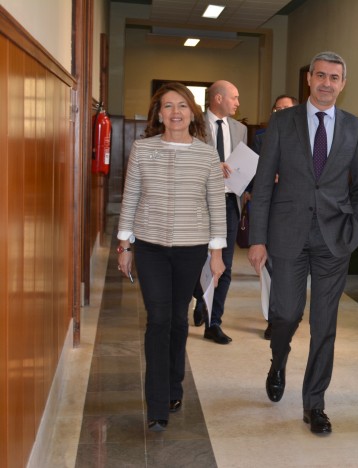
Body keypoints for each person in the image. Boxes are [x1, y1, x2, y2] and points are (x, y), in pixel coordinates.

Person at [248, 51, 358, 435]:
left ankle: (314, 404)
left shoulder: (354, 127)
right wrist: (257, 239)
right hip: (287, 235)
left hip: (334, 240)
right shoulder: (283, 122)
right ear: (309, 79)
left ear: (342, 83)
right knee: (285, 314)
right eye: (320, 75)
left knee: (325, 324)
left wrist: (355, 226)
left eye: (334, 77)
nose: (326, 83)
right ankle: (278, 358)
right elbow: (263, 182)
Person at [116, 82, 226, 432]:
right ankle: (158, 404)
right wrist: (124, 245)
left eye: (182, 105)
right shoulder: (142, 149)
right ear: (158, 114)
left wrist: (217, 253)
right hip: (149, 246)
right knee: (158, 318)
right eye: (167, 106)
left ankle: (174, 385)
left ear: (192, 112)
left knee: (179, 319)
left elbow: (216, 206)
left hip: (192, 247)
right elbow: (130, 197)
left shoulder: (207, 154)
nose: (175, 112)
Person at [191, 80, 249, 345]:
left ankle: (214, 322)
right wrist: (213, 165)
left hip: (229, 203)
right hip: (199, 204)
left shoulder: (240, 129)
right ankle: (200, 297)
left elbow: (241, 165)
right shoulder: (194, 124)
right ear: (217, 98)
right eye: (234, 97)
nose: (238, 103)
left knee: (223, 266)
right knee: (195, 262)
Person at [251, 94, 299, 341]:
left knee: (290, 270)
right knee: (270, 269)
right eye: (276, 108)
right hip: (270, 210)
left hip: (297, 213)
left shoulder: (307, 136)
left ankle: (289, 314)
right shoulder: (260, 138)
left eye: (286, 108)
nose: (280, 112)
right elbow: (253, 173)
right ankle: (272, 318)